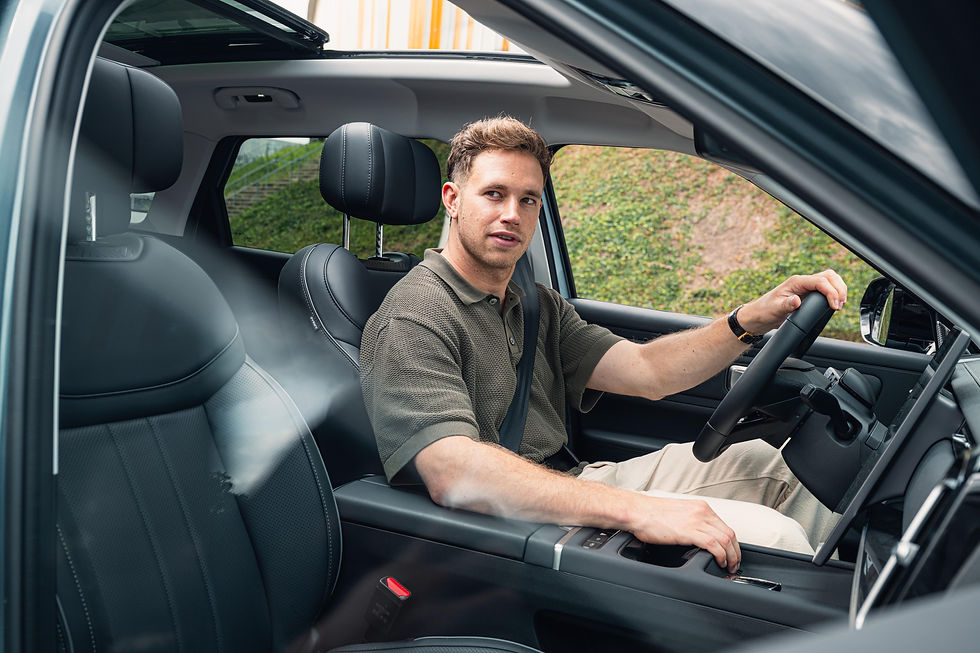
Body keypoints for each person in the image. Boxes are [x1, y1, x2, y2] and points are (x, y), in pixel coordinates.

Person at [360, 116, 847, 573]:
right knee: (774, 535)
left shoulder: (535, 305)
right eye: (494, 194)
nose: (512, 214)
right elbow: (452, 470)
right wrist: (637, 511)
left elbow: (646, 370)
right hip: (510, 522)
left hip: (574, 485)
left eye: (528, 199)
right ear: (453, 199)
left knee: (784, 467)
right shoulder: (413, 316)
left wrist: (748, 320)